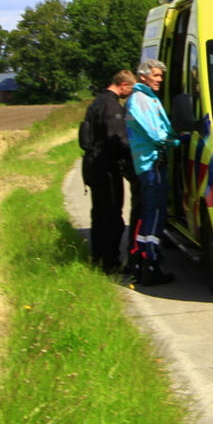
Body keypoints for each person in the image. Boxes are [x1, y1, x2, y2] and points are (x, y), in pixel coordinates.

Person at [126, 59, 181, 287]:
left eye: (161, 76)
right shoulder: (141, 100)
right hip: (152, 164)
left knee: (148, 214)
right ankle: (150, 264)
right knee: (155, 216)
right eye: (156, 75)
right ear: (143, 76)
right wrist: (178, 140)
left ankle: (140, 261)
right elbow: (156, 133)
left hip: (150, 164)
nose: (160, 79)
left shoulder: (146, 98)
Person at [81, 70, 137, 274]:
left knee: (99, 214)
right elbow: (117, 139)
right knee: (112, 215)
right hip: (107, 167)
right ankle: (110, 262)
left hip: (93, 165)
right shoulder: (112, 106)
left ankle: (97, 257)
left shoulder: (97, 102)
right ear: (123, 85)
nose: (130, 94)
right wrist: (136, 150)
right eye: (130, 89)